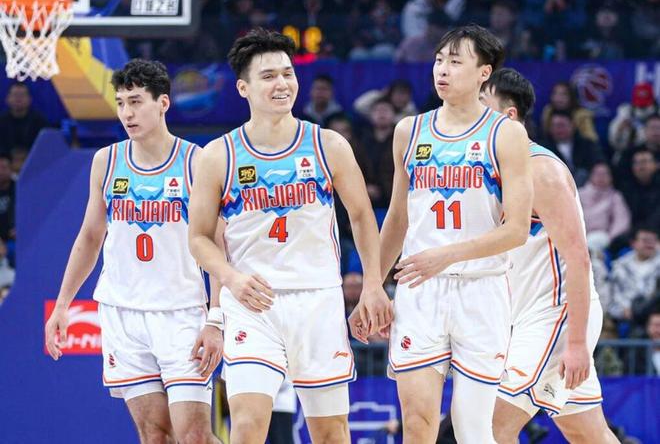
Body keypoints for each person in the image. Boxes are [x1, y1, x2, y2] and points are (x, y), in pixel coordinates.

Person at [187, 28, 392, 444]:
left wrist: (373, 284)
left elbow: (361, 216)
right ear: (243, 87)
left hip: (318, 299)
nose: (282, 83)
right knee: (247, 427)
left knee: (331, 432)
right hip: (252, 303)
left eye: (287, 73)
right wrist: (231, 278)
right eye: (268, 76)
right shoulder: (219, 155)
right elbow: (199, 238)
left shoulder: (328, 144)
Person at [351, 25, 533, 443]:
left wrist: (447, 254)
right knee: (417, 425)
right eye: (438, 60)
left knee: (472, 429)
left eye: (455, 61)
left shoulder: (506, 133)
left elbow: (517, 229)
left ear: (484, 72)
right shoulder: (409, 130)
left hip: (482, 288)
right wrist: (372, 285)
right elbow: (398, 218)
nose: (442, 70)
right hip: (421, 290)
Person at [44, 59, 222, 444]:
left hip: (181, 313)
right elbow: (90, 236)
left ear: (163, 103)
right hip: (122, 313)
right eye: (121, 103)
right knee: (154, 434)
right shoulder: (106, 161)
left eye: (137, 101)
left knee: (195, 435)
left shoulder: (196, 161)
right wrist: (62, 304)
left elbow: (219, 246)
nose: (127, 112)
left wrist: (216, 319)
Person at [480, 67, 620, 444]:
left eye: (481, 102)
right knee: (588, 434)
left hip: (556, 317)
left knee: (489, 428)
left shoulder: (541, 170)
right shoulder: (493, 170)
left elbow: (579, 258)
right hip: (526, 318)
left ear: (508, 116)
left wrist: (575, 343)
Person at [0, 82, 50, 155]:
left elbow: (46, 146)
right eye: (15, 95)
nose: (18, 99)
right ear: (7, 99)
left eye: (22, 95)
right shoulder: (1, 121)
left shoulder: (39, 122)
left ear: (30, 99)